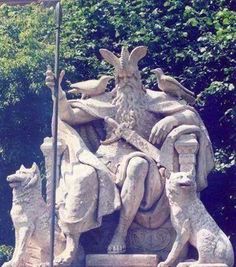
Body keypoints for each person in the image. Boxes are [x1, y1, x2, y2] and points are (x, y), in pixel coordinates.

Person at [45, 46, 214, 265]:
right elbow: (68, 115)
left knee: (136, 164)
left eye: (130, 76)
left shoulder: (155, 99)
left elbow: (190, 115)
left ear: (139, 78)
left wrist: (172, 120)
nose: (125, 81)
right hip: (104, 163)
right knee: (82, 174)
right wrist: (58, 94)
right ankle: (72, 245)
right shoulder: (107, 101)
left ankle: (121, 233)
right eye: (120, 77)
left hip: (145, 164)